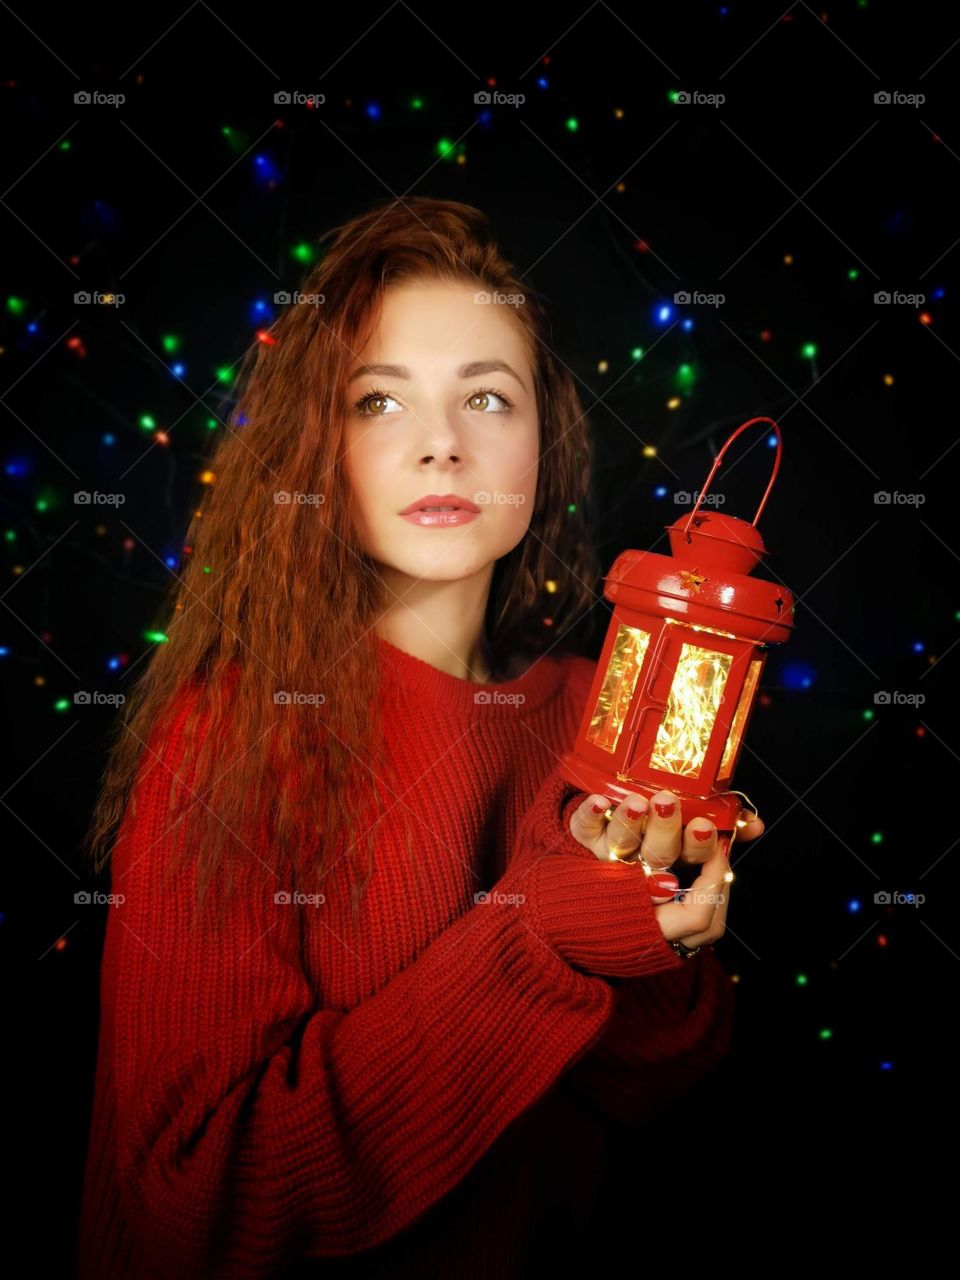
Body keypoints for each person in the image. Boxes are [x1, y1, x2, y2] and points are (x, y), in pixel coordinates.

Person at [76, 196, 762, 1279]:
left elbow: (653, 1091)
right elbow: (195, 1206)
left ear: (545, 435)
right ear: (318, 446)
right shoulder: (235, 734)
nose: (442, 445)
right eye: (377, 402)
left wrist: (657, 937)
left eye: (487, 396)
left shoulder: (610, 706)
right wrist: (537, 931)